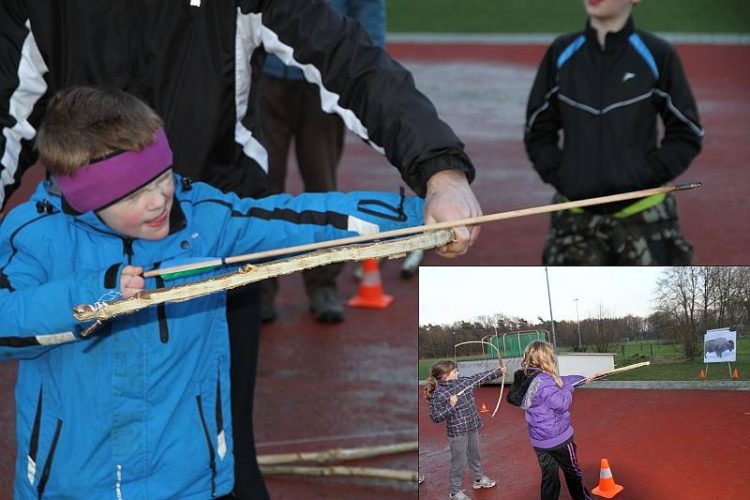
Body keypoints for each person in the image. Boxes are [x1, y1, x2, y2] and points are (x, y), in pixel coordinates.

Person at [0, 2, 481, 497]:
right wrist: (82, 299)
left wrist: (436, 178)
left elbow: (347, 60)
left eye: (161, 181)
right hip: (76, 290)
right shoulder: (38, 242)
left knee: (222, 449)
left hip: (211, 248)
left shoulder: (210, 218)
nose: (156, 197)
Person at [524, 0, 703, 265]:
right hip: (575, 220)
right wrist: (565, 177)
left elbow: (687, 132)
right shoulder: (561, 52)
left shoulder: (657, 54)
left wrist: (645, 176)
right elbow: (537, 130)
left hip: (645, 219)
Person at [259, 0, 386, 323]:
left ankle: (322, 284)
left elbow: (367, 7)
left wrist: (367, 63)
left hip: (323, 79)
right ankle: (259, 285)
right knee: (262, 186)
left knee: (321, 186)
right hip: (264, 73)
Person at [506, 341, 593, 500]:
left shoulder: (529, 377)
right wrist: (569, 388)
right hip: (558, 439)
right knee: (573, 473)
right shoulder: (544, 381)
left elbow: (560, 380)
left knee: (550, 478)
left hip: (540, 441)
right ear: (545, 358)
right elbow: (562, 404)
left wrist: (581, 379)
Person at [425, 359, 505, 500]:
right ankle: (455, 492)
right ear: (445, 376)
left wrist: (499, 371)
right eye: (455, 371)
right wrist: (451, 405)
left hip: (472, 427)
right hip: (457, 433)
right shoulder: (439, 394)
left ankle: (478, 479)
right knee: (459, 463)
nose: (458, 373)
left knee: (475, 455)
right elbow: (436, 417)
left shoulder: (464, 382)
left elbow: (479, 378)